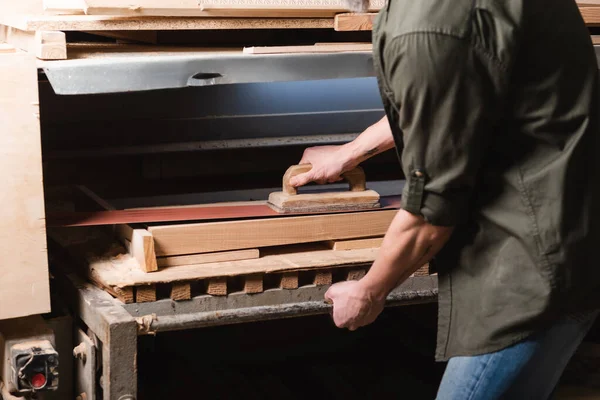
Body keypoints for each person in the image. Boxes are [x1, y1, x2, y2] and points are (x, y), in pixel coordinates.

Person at [289, 0, 600, 398]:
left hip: (527, 273)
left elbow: (432, 211)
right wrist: (348, 153)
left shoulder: (427, 23)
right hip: (572, 240)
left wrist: (369, 291)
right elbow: (455, 92)